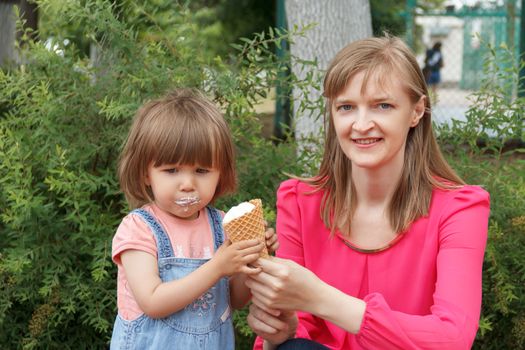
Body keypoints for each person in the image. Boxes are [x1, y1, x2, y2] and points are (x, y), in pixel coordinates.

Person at [246, 35, 490, 350]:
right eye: (346, 107)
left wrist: (320, 297)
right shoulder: (299, 202)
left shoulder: (459, 209)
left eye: (382, 105)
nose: (361, 124)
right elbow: (295, 333)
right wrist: (278, 333)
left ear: (416, 111)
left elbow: (453, 337)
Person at [109, 89, 278, 349]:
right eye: (171, 170)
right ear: (146, 174)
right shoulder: (139, 228)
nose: (187, 184)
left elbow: (234, 299)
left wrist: (253, 257)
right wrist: (219, 266)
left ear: (220, 174)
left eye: (201, 170)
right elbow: (153, 302)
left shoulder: (222, 226)